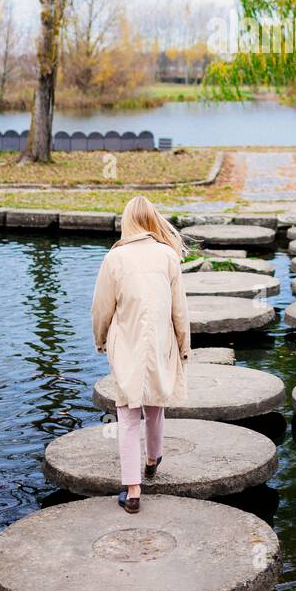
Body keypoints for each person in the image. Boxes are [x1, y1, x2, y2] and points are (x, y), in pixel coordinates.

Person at [91, 194, 191, 513]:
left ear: (127, 222)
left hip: (128, 343)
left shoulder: (114, 259)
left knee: (128, 412)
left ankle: (132, 490)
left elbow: (102, 306)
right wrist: (184, 345)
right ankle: (152, 458)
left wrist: (100, 337)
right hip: (161, 342)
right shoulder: (167, 256)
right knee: (155, 404)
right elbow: (180, 309)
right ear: (151, 220)